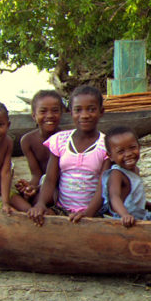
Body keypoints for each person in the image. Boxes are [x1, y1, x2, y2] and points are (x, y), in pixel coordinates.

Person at [28, 85, 109, 225]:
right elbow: (50, 179)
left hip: (93, 210)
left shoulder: (106, 144)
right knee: (41, 219)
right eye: (78, 110)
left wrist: (88, 213)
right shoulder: (60, 140)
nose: (84, 115)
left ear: (101, 112)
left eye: (91, 109)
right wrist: (41, 203)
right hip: (61, 208)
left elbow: (103, 186)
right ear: (71, 112)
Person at [98, 126, 151, 226]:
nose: (128, 154)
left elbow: (133, 197)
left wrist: (150, 205)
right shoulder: (117, 173)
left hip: (137, 216)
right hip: (122, 220)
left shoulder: (135, 170)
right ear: (110, 156)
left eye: (132, 148)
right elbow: (114, 196)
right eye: (121, 151)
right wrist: (124, 214)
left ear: (139, 147)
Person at [16, 90, 64, 201]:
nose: (50, 115)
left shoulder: (66, 138)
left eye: (55, 111)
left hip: (64, 185)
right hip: (43, 184)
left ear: (61, 113)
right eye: (43, 111)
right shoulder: (27, 141)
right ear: (34, 115)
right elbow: (36, 174)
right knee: (25, 197)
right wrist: (30, 187)